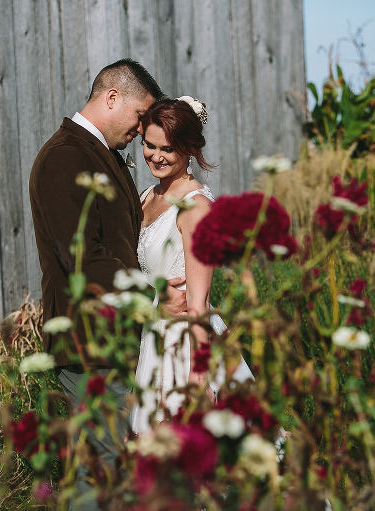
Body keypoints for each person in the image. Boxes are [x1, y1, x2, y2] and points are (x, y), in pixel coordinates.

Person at [28, 59, 186, 509]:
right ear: (111, 98)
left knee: (111, 468)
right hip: (88, 341)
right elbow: (80, 256)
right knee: (102, 468)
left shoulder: (100, 155)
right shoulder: (65, 157)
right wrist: (154, 293)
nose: (141, 131)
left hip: (113, 337)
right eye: (140, 117)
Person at [130, 97, 253, 434]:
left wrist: (198, 378)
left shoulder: (195, 209)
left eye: (166, 148)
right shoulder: (146, 197)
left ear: (188, 150)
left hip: (185, 341)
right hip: (155, 334)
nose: (155, 156)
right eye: (149, 145)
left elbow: (199, 303)